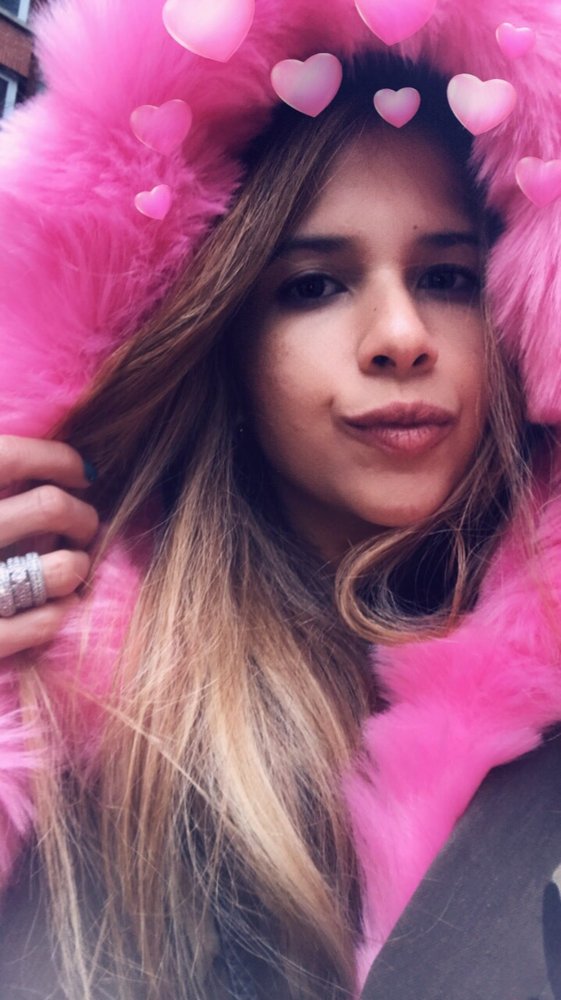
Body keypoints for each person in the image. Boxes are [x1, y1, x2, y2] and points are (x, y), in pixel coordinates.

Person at [0, 0, 560, 998]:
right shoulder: (63, 710)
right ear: (224, 336)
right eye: (313, 286)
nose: (400, 336)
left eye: (446, 276)